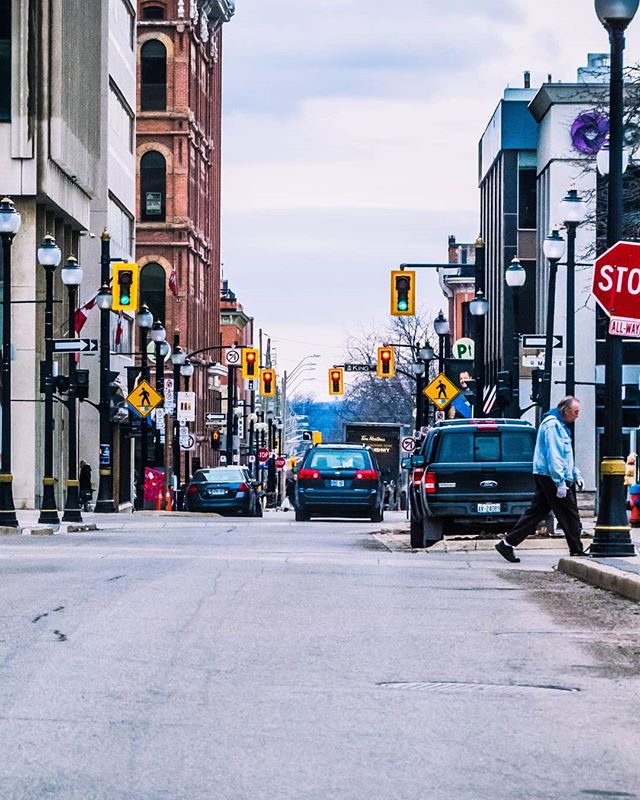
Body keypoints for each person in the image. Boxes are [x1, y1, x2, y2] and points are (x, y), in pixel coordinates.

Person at [495, 396, 585, 563]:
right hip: (551, 476)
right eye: (575, 412)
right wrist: (560, 482)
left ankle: (507, 543)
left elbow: (565, 457)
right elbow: (555, 455)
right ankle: (576, 549)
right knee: (569, 513)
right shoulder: (553, 426)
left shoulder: (559, 425)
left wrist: (575, 474)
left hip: (548, 474)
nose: (577, 415)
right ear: (565, 411)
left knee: (536, 512)